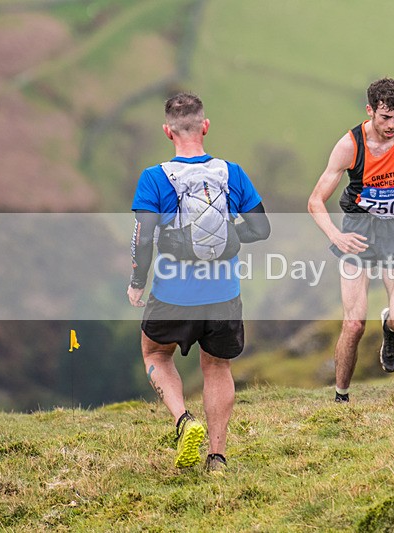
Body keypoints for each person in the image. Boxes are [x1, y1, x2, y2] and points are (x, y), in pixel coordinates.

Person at [127, 92, 270, 472]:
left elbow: (143, 237)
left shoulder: (154, 178)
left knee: (156, 353)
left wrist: (138, 281)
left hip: (173, 292)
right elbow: (262, 228)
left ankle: (183, 421)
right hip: (223, 293)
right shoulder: (232, 173)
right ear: (205, 127)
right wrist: (230, 235)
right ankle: (217, 456)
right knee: (217, 367)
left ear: (167, 132)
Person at [307, 78, 394, 402]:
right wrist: (336, 236)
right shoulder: (350, 146)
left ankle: (389, 328)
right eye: (385, 117)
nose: (391, 125)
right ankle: (341, 396)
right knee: (354, 324)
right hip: (360, 232)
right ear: (370, 110)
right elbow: (315, 201)